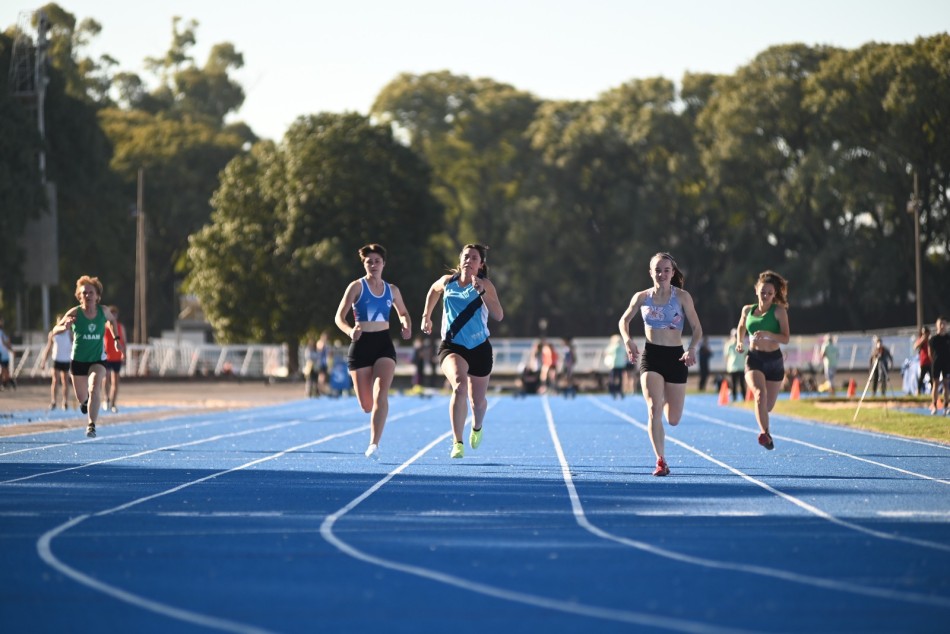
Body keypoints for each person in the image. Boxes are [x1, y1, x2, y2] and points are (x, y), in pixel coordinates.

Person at [619, 252, 703, 476]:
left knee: (673, 419)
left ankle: (664, 396)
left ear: (672, 273)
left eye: (666, 270)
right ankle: (660, 460)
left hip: (676, 357)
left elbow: (697, 329)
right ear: (650, 272)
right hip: (652, 356)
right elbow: (623, 320)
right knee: (653, 409)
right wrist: (628, 341)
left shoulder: (683, 297)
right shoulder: (642, 297)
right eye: (657, 270)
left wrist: (691, 349)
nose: (662, 274)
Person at [421, 243, 504, 459]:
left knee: (478, 401)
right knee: (459, 385)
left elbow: (498, 314)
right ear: (460, 260)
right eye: (466, 256)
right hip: (452, 345)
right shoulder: (448, 281)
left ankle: (477, 426)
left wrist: (482, 292)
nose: (469, 260)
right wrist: (426, 316)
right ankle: (457, 442)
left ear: (481, 264)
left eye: (474, 258)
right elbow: (432, 290)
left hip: (479, 347)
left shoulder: (485, 284)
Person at [334, 244, 412, 460]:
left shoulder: (392, 290)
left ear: (384, 264)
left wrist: (406, 324)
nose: (374, 265)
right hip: (361, 345)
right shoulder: (356, 287)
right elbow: (339, 317)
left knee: (381, 393)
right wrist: (350, 331)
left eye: (377, 261)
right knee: (367, 405)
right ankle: (373, 434)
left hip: (383, 344)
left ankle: (374, 444)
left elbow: (403, 312)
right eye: (370, 261)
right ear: (364, 264)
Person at [50, 275, 122, 438]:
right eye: (84, 293)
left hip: (98, 359)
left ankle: (91, 425)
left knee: (95, 387)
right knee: (83, 398)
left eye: (91, 292)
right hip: (78, 361)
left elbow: (112, 322)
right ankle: (85, 403)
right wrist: (64, 327)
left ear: (97, 296)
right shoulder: (74, 313)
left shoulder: (103, 311)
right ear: (79, 296)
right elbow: (54, 330)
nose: (87, 296)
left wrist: (116, 339)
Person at [735, 270, 790, 451]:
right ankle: (765, 434)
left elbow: (785, 338)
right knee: (759, 394)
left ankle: (765, 430)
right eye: (763, 291)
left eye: (770, 293)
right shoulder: (747, 310)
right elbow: (741, 326)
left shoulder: (779, 311)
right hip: (754, 358)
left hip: (774, 360)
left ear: (774, 294)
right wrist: (739, 342)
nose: (765, 295)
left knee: (767, 406)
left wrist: (768, 334)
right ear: (756, 290)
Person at [41, 315, 74, 410]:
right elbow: (48, 348)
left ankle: (65, 401)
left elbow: (75, 345)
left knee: (65, 382)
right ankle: (54, 401)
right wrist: (44, 361)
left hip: (66, 360)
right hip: (56, 359)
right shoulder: (53, 333)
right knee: (55, 381)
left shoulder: (69, 333)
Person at [103, 305, 127, 413]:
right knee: (106, 378)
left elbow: (124, 342)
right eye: (111, 313)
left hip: (117, 357)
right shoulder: (104, 326)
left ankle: (113, 403)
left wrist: (124, 354)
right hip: (107, 357)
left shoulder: (121, 327)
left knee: (115, 381)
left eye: (115, 314)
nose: (113, 315)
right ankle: (106, 398)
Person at [929, 317, 950, 415]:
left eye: (944, 324)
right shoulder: (933, 339)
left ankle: (946, 406)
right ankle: (934, 405)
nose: (942, 326)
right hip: (936, 363)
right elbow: (930, 353)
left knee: (946, 384)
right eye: (940, 324)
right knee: (936, 384)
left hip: (946, 363)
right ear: (937, 325)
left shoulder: (948, 338)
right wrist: (934, 361)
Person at [723, 328, 746, 402]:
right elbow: (726, 356)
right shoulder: (729, 345)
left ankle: (744, 398)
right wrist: (727, 366)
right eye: (735, 335)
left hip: (741, 367)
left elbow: (746, 354)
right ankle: (734, 398)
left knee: (742, 384)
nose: (736, 336)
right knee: (734, 384)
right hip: (732, 367)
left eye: (737, 335)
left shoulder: (742, 344)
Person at [603, 335, 628, 399]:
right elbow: (626, 355)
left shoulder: (612, 347)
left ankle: (613, 391)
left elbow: (605, 353)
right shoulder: (622, 347)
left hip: (614, 365)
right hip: (620, 365)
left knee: (613, 379)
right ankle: (619, 391)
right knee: (619, 379)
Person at [914, 326, 932, 397]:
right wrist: (922, 340)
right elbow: (915, 346)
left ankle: (933, 391)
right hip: (923, 362)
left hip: (930, 361)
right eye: (923, 333)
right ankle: (918, 391)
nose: (925, 334)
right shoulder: (921, 340)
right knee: (921, 377)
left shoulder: (930, 340)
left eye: (926, 333)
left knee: (932, 377)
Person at [0, 317, 14, 390]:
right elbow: (4, 343)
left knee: (4, 370)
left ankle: (5, 383)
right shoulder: (1, 333)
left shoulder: (3, 332)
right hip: (1, 354)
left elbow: (7, 342)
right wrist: (11, 349)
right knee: (4, 369)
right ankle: (10, 382)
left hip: (5, 355)